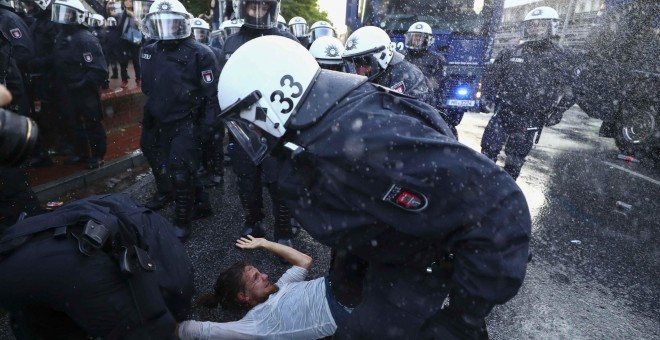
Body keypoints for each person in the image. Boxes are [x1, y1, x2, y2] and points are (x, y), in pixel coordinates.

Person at [216, 36, 532, 339]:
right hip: (396, 253)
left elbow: (498, 206)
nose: (251, 130)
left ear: (275, 99)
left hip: (423, 263)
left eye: (248, 118)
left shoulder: (364, 141)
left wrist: (464, 318)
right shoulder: (332, 119)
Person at [0, 193, 195, 339]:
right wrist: (170, 321)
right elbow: (176, 289)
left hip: (14, 263)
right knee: (145, 330)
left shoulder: (113, 206)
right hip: (68, 267)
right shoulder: (157, 235)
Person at [219, 0, 296, 246]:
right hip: (242, 120)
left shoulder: (286, 40)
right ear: (244, 8)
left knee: (278, 180)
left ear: (273, 9)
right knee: (246, 179)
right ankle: (253, 222)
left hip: (277, 122)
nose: (258, 11)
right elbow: (224, 83)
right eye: (254, 6)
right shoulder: (232, 42)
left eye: (264, 7)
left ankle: (283, 230)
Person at [178, 235, 354, 339]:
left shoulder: (279, 287)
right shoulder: (255, 324)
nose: (265, 276)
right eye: (256, 278)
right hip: (344, 306)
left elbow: (304, 261)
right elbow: (199, 329)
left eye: (259, 273)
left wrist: (265, 243)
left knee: (351, 240)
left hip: (339, 283)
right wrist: (156, 322)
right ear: (243, 296)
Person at [140, 0, 216, 238]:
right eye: (160, 24)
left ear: (182, 23)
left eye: (172, 22)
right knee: (170, 164)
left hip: (188, 120)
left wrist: (208, 127)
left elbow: (212, 95)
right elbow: (148, 87)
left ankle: (182, 221)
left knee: (180, 170)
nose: (167, 28)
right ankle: (202, 204)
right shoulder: (148, 50)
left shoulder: (200, 53)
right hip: (159, 119)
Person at [480, 6, 575, 180]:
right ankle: (482, 186)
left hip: (531, 116)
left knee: (515, 159)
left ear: (551, 27)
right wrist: (487, 96)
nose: (535, 29)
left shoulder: (560, 57)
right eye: (532, 25)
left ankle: (506, 193)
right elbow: (492, 77)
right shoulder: (512, 52)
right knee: (487, 150)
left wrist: (559, 110)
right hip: (504, 111)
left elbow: (571, 88)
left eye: (540, 25)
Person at [51, 0, 108, 169]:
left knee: (92, 123)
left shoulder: (86, 38)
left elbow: (98, 70)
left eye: (67, 12)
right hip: (67, 89)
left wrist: (80, 84)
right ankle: (81, 153)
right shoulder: (61, 36)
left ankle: (97, 156)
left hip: (85, 91)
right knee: (73, 123)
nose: (63, 16)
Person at [343, 26, 433, 107]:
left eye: (364, 62)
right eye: (354, 64)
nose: (359, 70)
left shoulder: (408, 77)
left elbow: (410, 117)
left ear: (382, 56)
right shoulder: (367, 76)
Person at [191, 17, 224, 188]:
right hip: (196, 102)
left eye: (201, 34)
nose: (198, 37)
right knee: (199, 138)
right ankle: (204, 166)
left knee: (215, 139)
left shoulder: (215, 52)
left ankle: (218, 171)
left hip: (212, 99)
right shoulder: (186, 53)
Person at [404, 21, 451, 133]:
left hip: (426, 102)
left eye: (420, 38)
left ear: (427, 40)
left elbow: (439, 83)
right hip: (404, 98)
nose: (416, 40)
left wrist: (424, 87)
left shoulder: (436, 59)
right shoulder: (401, 56)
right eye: (414, 37)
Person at [118, 0, 142, 88]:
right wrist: (108, 4)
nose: (128, 2)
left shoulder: (138, 13)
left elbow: (140, 25)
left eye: (130, 1)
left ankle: (139, 79)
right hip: (124, 39)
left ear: (133, 3)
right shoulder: (121, 13)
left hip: (135, 40)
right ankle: (124, 80)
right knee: (123, 61)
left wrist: (132, 15)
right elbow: (111, 13)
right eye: (126, 1)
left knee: (136, 61)